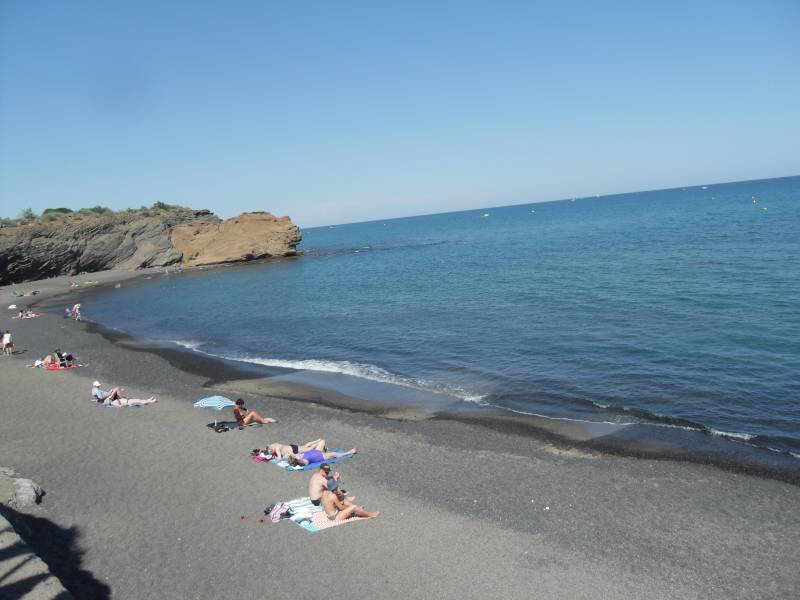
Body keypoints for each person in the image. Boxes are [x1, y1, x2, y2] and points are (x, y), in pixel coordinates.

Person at [91, 381, 157, 407]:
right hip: (111, 399)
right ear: (95, 385)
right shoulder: (96, 390)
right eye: (98, 385)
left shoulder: (95, 390)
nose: (99, 386)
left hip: (112, 399)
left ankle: (148, 400)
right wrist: (110, 394)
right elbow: (101, 398)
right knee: (134, 400)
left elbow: (99, 398)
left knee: (135, 400)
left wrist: (97, 400)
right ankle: (149, 401)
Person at [259, 439, 327, 460]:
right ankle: (318, 440)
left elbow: (279, 458)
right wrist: (262, 451)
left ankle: (319, 443)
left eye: (271, 452)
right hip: (291, 447)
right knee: (305, 446)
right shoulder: (272, 445)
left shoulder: (276, 449)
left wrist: (274, 457)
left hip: (294, 450)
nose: (271, 453)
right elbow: (266, 449)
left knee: (309, 449)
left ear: (272, 450)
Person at [287, 447, 357, 468]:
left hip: (317, 451)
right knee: (334, 454)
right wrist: (297, 458)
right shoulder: (302, 461)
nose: (296, 455)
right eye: (295, 456)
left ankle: (324, 449)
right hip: (320, 456)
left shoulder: (299, 456)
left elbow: (293, 454)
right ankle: (350, 452)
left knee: (322, 441)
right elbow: (305, 463)